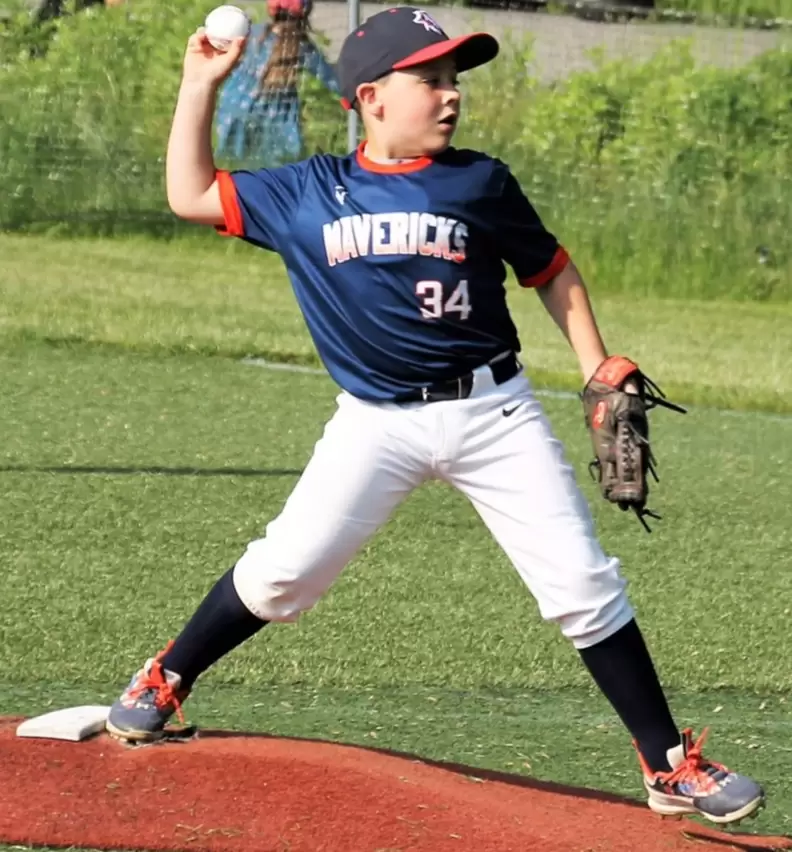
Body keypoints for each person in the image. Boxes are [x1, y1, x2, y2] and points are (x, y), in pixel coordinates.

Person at [105, 6, 765, 826]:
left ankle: (668, 766)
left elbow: (552, 270)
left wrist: (595, 363)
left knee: (582, 583)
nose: (451, 95)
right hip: (375, 425)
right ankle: (166, 675)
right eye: (431, 79)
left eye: (455, 80)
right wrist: (199, 83)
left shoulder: (479, 181)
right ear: (371, 97)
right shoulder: (306, 191)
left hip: (495, 413)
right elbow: (191, 193)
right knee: (283, 573)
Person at [214, 0, 339, 165]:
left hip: (234, 105)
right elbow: (332, 79)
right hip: (274, 118)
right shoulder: (302, 46)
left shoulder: (254, 33)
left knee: (232, 163)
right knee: (275, 168)